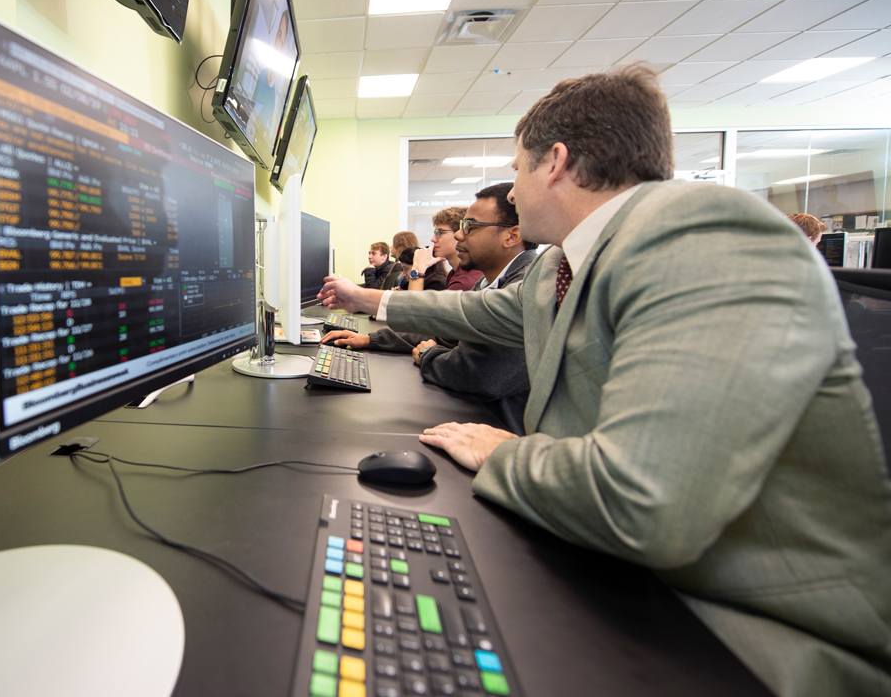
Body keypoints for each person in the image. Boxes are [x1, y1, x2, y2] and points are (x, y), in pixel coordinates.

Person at [319, 63, 891, 697]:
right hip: (615, 570)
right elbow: (477, 311)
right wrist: (370, 303)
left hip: (739, 637)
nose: (514, 186)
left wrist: (510, 454)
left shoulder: (702, 237)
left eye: (517, 168)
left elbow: (646, 503)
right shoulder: (564, 263)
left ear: (555, 162)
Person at [322, 183, 538, 433]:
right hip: (474, 414)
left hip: (495, 428)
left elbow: (483, 374)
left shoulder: (527, 284)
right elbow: (444, 332)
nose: (459, 235)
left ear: (512, 236)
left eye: (470, 227)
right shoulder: (488, 281)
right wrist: (373, 339)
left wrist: (428, 356)